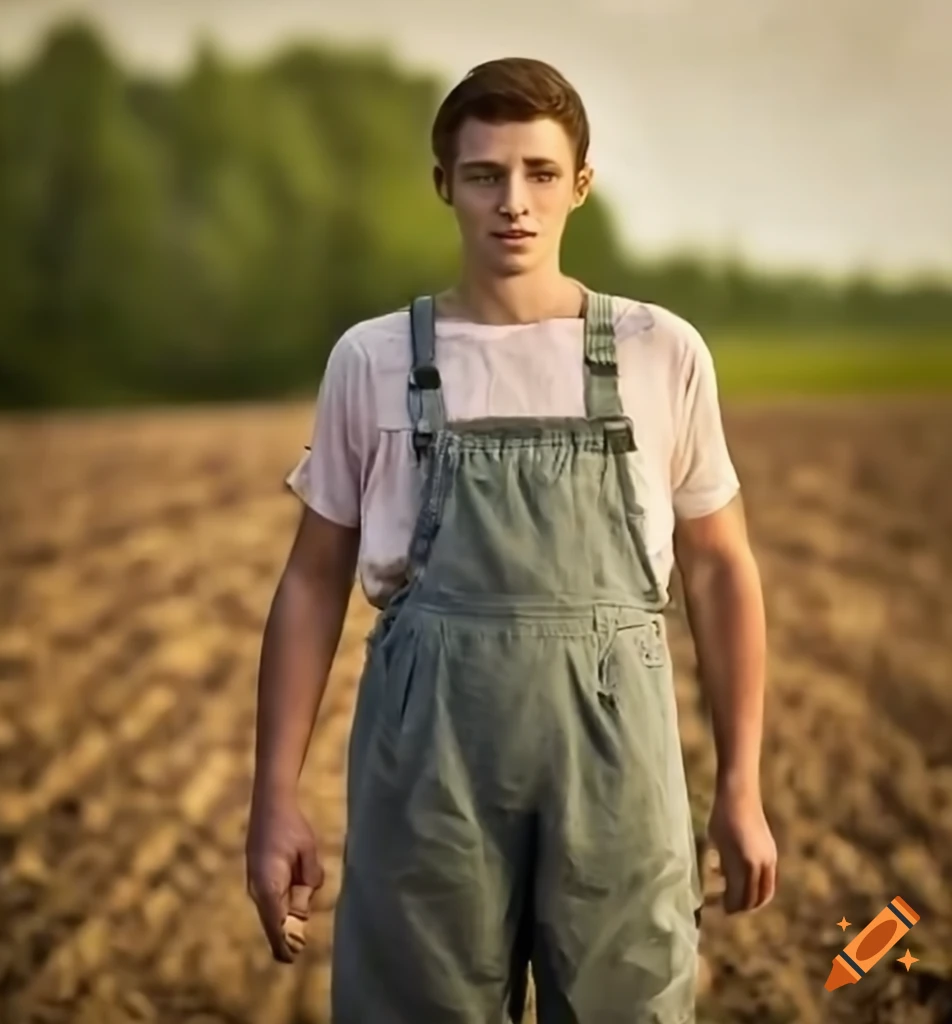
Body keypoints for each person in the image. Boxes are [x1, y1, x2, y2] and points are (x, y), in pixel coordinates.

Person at [246, 56, 777, 1024]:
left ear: (579, 183)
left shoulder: (661, 350)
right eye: (485, 175)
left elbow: (719, 567)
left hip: (617, 746)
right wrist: (273, 795)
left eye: (539, 173)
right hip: (428, 752)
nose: (513, 203)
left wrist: (739, 784)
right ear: (445, 184)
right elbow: (312, 581)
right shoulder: (373, 357)